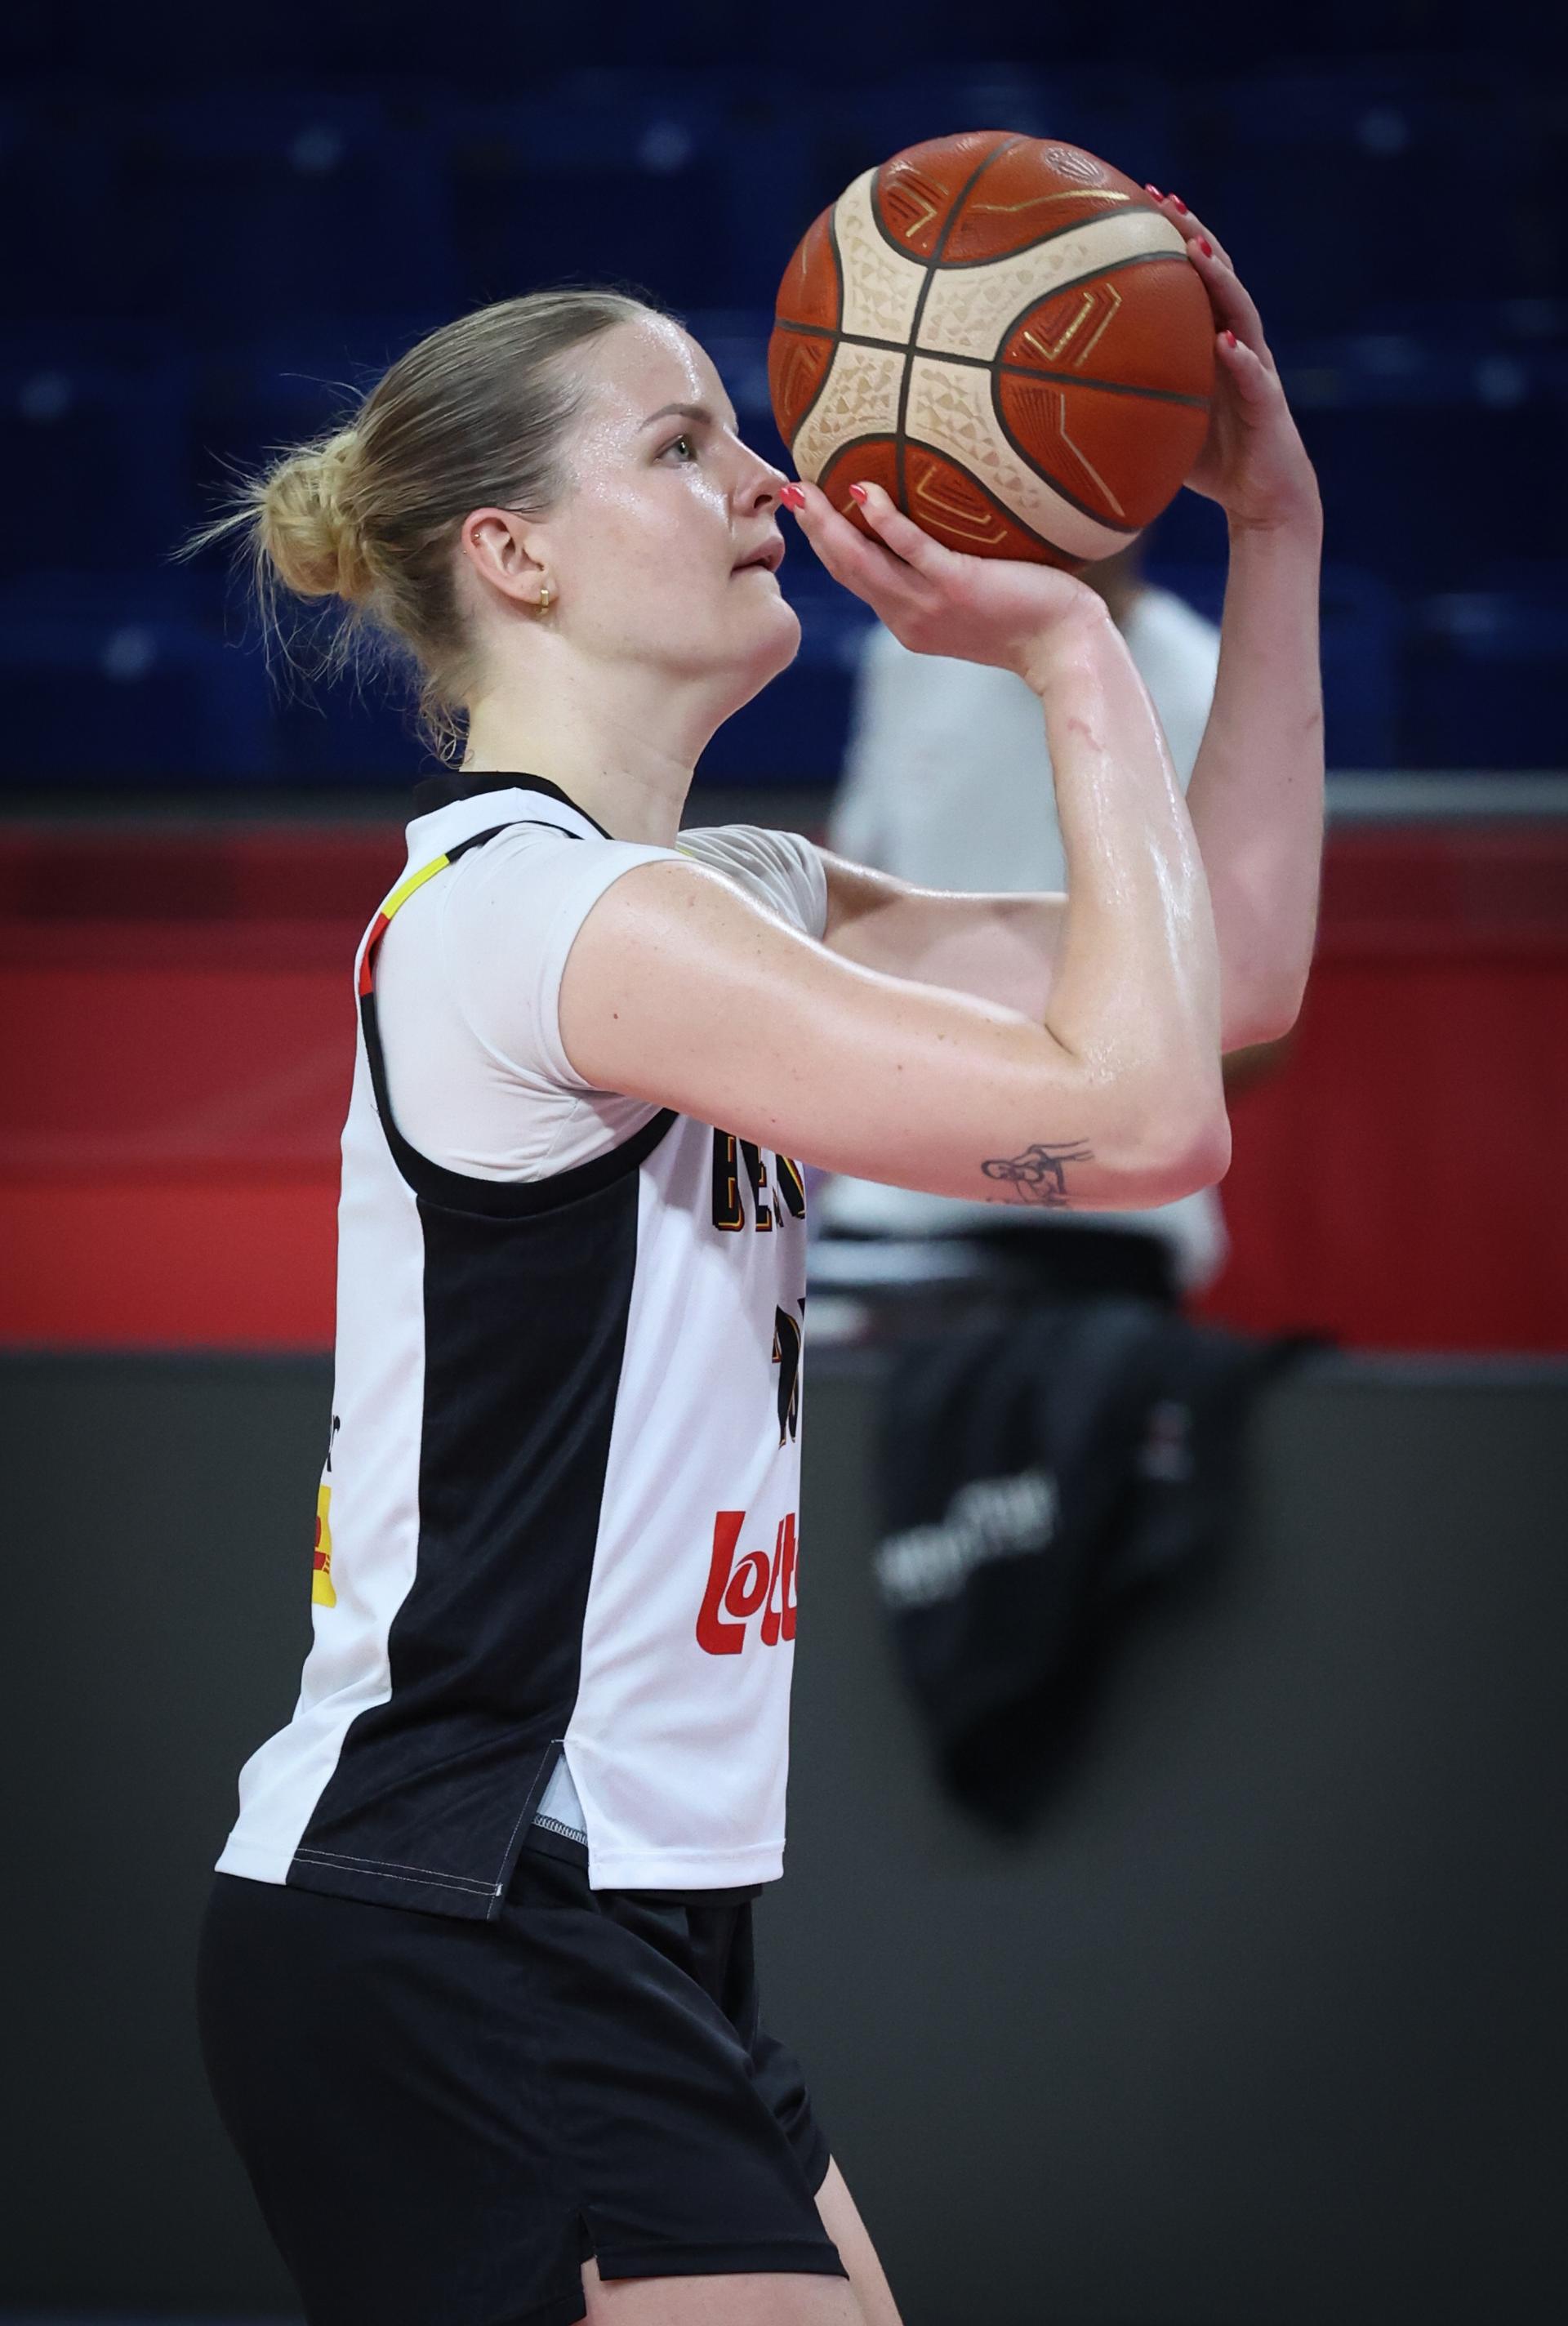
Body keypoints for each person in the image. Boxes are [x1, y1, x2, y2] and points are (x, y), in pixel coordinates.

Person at [193, 186, 1323, 2326]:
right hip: (466, 1907)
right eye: (684, 442)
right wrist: (1073, 645)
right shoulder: (549, 925)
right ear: (509, 555)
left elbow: (1228, 975)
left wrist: (1272, 538)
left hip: (609, 1917)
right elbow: (1144, 1117)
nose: (765, 480)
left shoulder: (719, 897)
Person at [820, 537, 1231, 1299]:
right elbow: (842, 914)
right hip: (890, 1200)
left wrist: (1053, 1109)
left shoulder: (1211, 689)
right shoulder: (907, 657)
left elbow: (1248, 1021)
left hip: (1105, 1225)